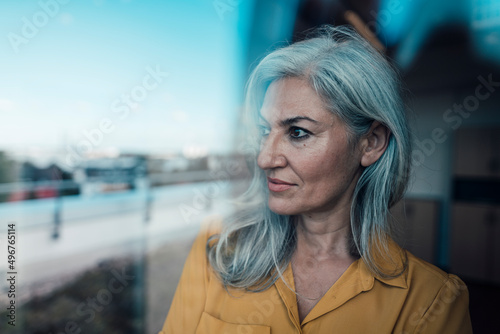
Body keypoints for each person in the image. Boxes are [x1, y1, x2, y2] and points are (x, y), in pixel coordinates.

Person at [159, 25, 472, 333]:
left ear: (372, 142)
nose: (265, 158)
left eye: (297, 132)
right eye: (266, 131)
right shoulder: (218, 249)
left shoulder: (432, 302)